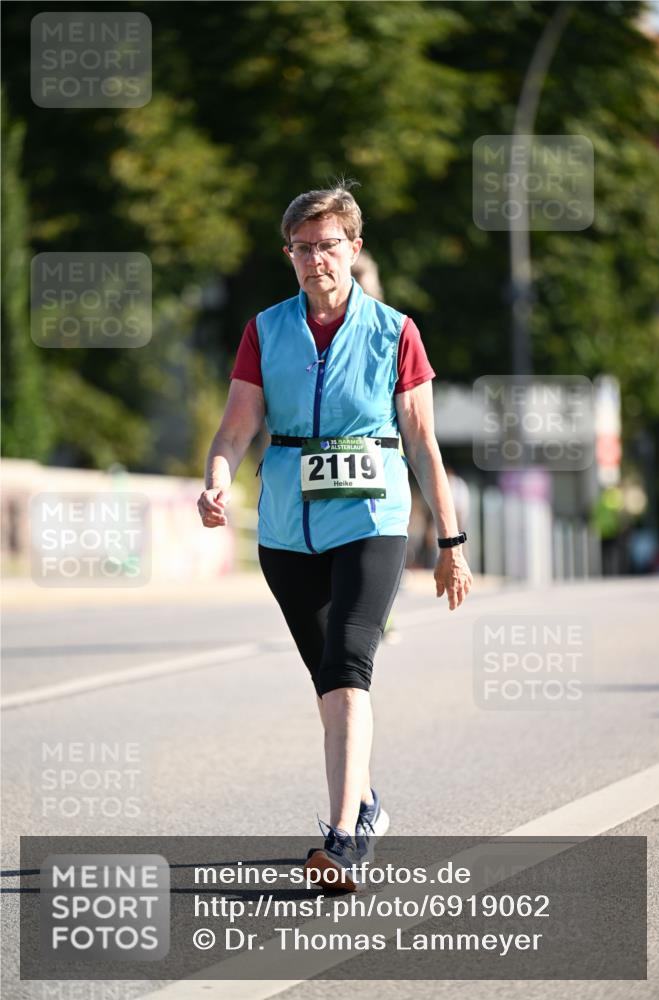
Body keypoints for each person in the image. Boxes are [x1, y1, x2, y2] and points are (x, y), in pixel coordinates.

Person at [197, 184, 473, 891]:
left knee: (350, 667)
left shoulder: (394, 331)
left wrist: (450, 543)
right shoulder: (266, 329)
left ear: (353, 248)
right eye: (302, 246)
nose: (316, 258)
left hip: (370, 519)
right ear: (287, 253)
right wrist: (218, 478)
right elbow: (236, 426)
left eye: (328, 245)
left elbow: (421, 443)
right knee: (327, 679)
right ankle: (366, 803)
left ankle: (343, 836)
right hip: (287, 528)